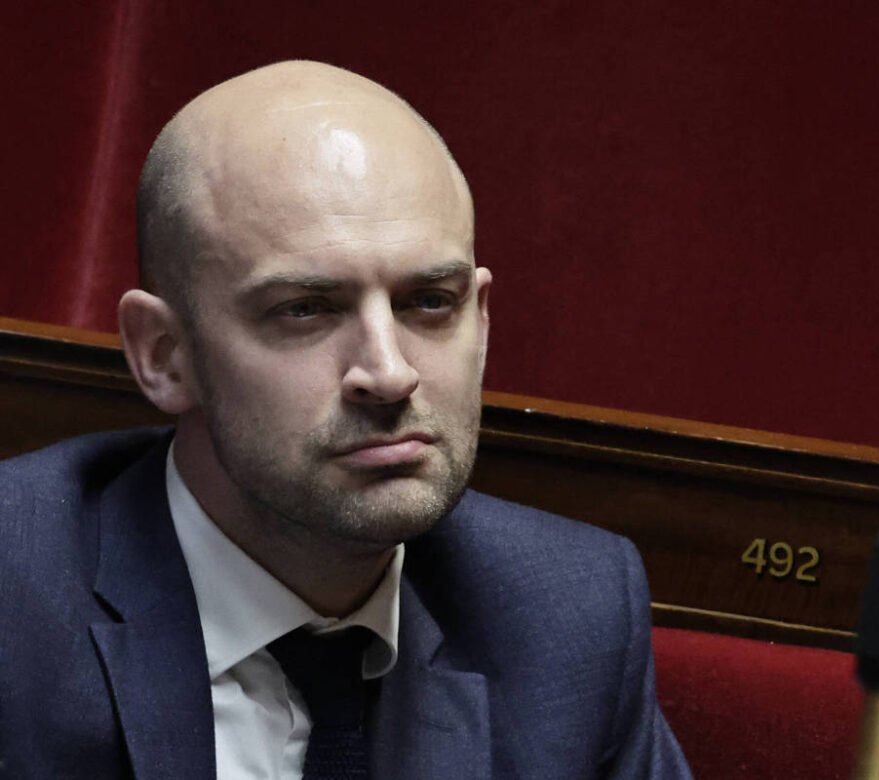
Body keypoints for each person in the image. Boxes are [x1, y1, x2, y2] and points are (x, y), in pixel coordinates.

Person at [0, 61, 691, 779]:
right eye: (305, 310)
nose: (389, 374)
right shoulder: (16, 604)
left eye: (430, 301)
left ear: (481, 322)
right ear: (164, 355)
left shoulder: (567, 615)